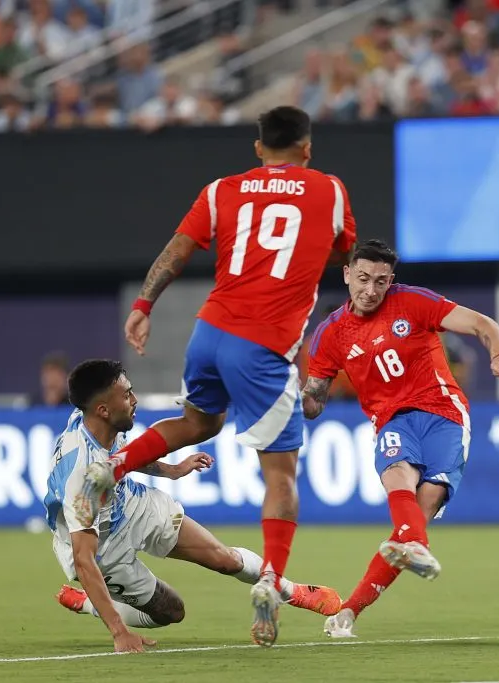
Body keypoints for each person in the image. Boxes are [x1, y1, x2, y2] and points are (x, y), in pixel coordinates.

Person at [74, 106, 357, 647]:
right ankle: (271, 583)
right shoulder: (330, 190)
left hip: (210, 333)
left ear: (257, 149)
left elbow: (176, 251)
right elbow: (349, 256)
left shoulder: (220, 191)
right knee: (280, 478)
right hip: (264, 347)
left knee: (198, 422)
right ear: (307, 148)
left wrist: (143, 304)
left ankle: (111, 468)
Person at [45, 360, 342, 654]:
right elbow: (84, 558)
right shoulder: (80, 481)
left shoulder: (96, 420)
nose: (134, 400)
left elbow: (122, 456)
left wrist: (171, 470)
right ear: (103, 410)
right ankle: (87, 602)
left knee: (224, 559)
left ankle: (294, 592)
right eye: (126, 395)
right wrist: (119, 633)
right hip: (102, 547)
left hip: (132, 505)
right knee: (170, 612)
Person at [301, 239, 499, 638]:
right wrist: (292, 404)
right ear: (347, 274)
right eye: (363, 279)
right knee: (398, 476)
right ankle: (417, 546)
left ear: (391, 281)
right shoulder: (331, 333)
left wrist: (498, 353)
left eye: (380, 282)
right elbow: (314, 400)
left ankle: (350, 610)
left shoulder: (412, 302)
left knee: (423, 507)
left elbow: (482, 324)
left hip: (444, 413)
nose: (371, 290)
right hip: (391, 420)